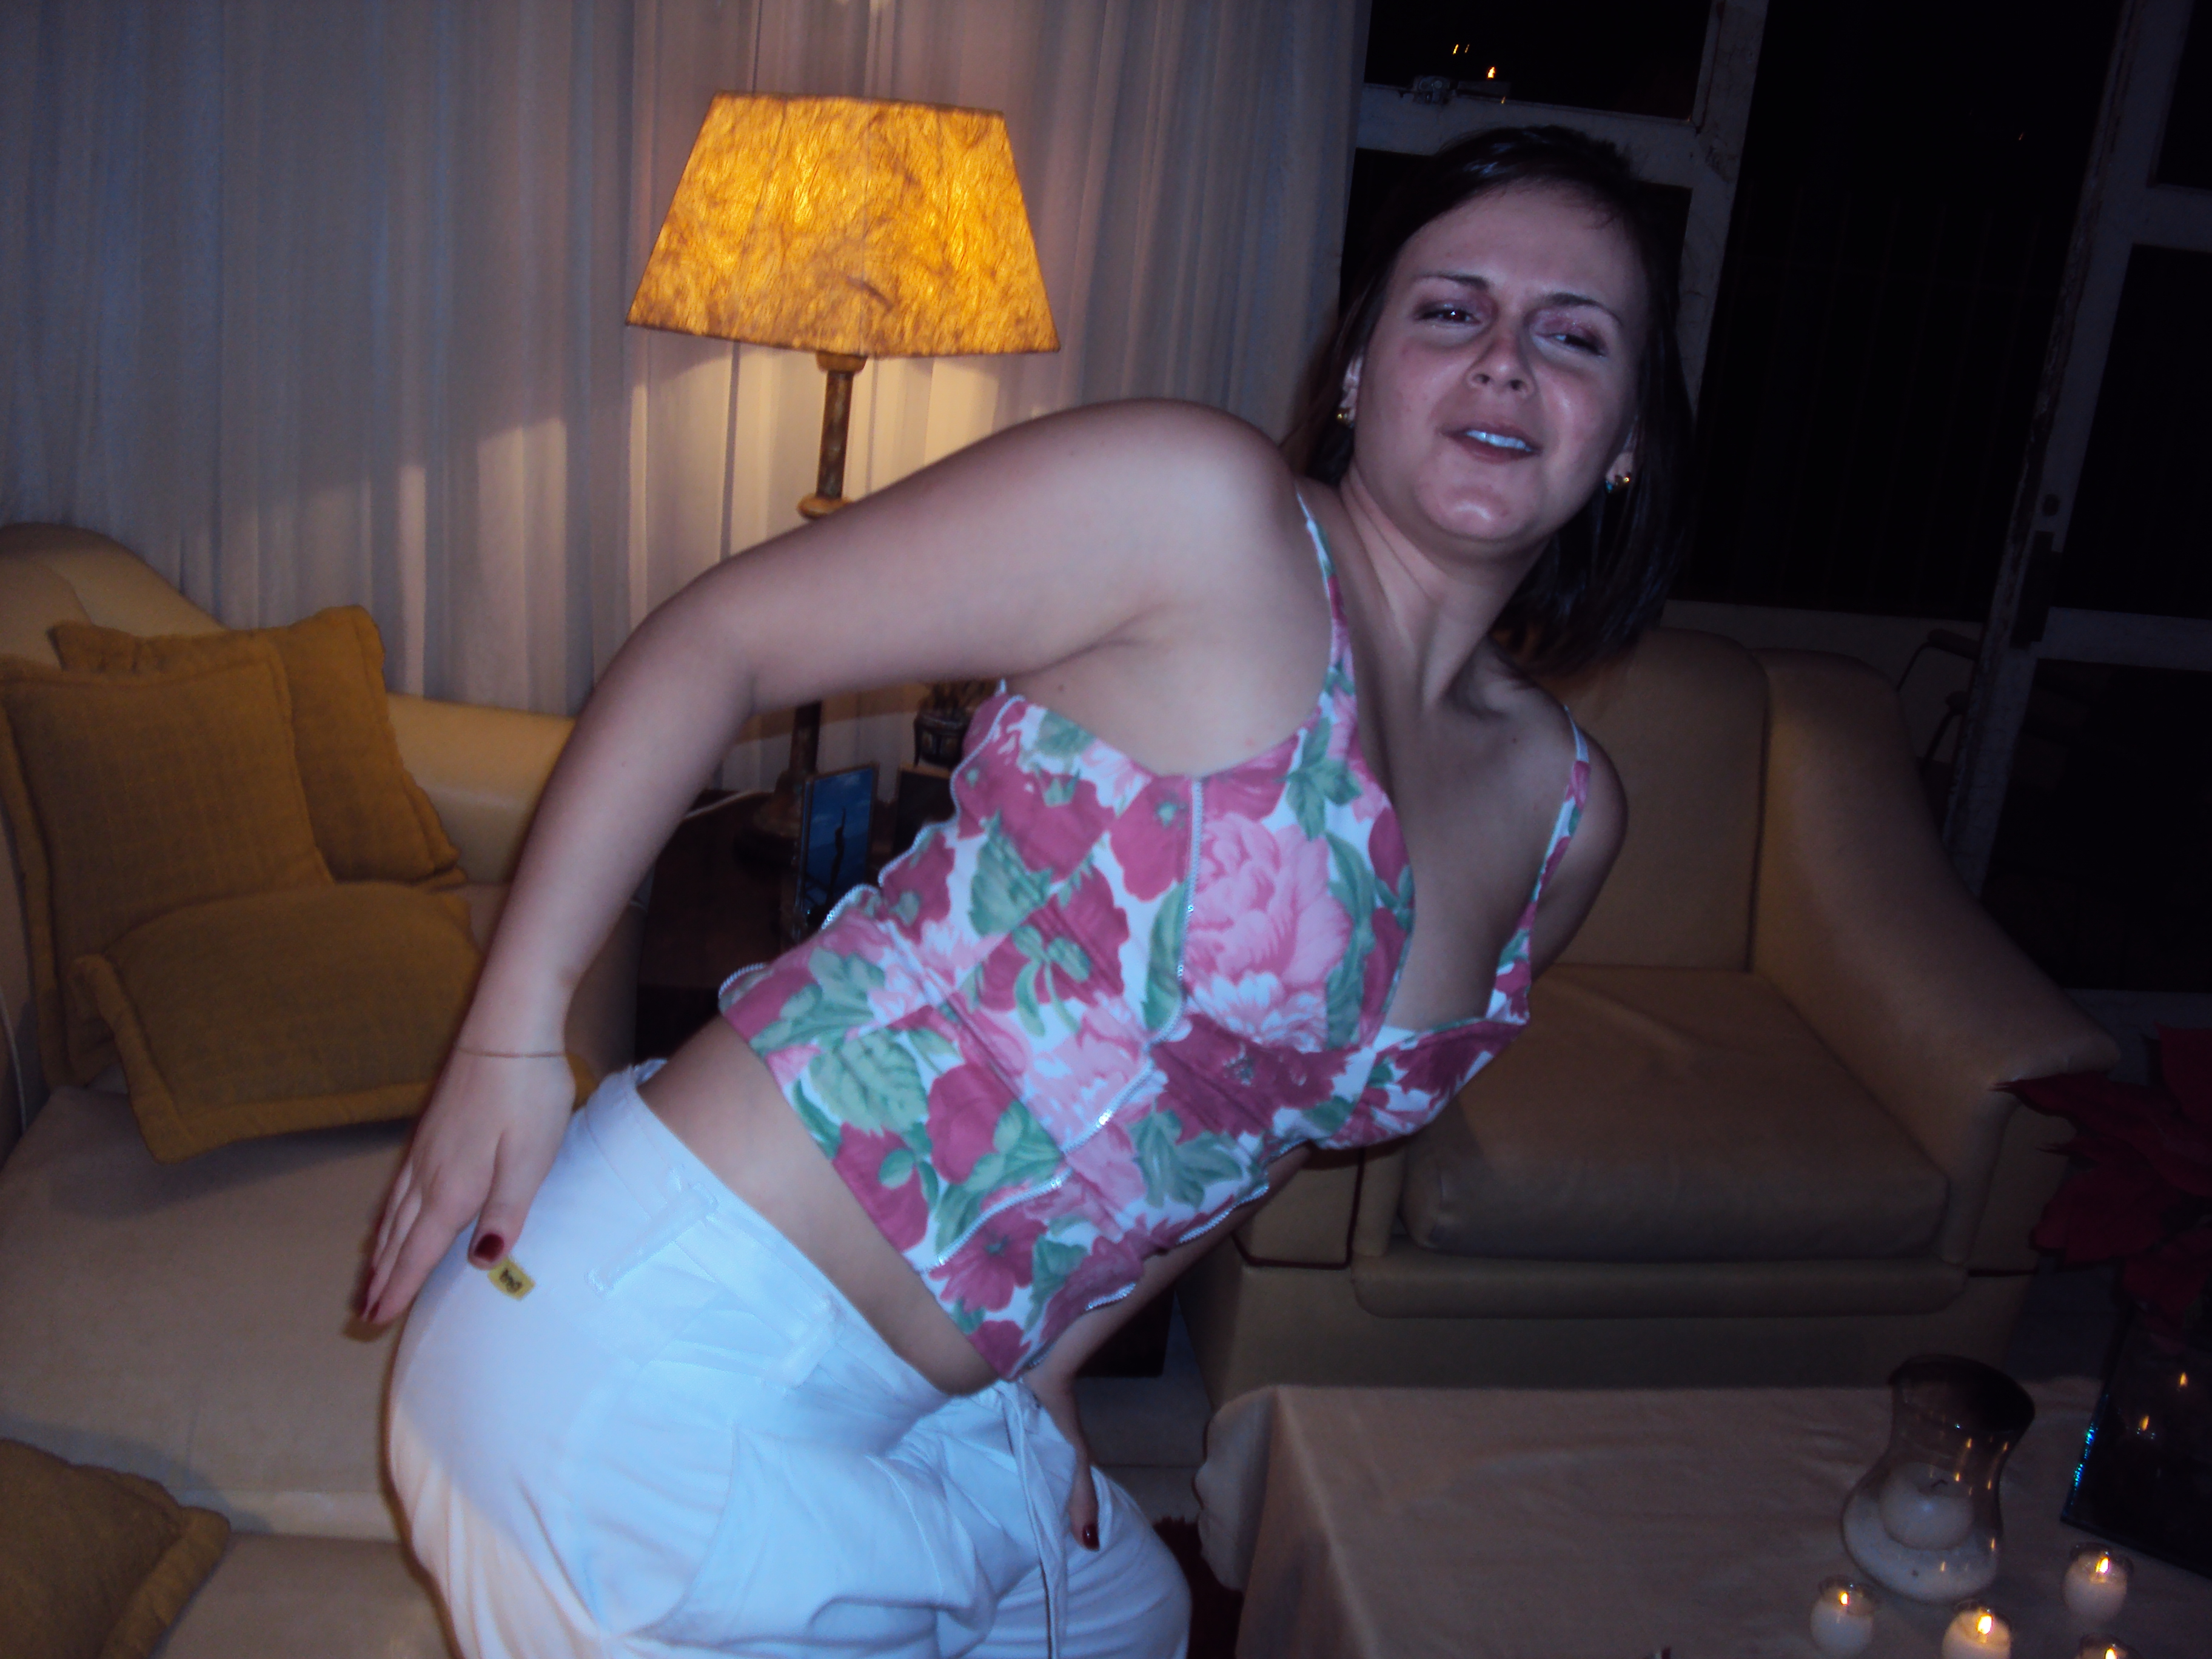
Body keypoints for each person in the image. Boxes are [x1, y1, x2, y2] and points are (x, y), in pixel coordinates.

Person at [364, 124, 1691, 1658]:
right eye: (1452, 310)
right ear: (1353, 372)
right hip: (663, 1353)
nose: (1505, 360)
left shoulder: (1566, 816)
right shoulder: (1205, 514)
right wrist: (509, 1034)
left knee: (1133, 1619)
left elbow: (1257, 1123)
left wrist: (1056, 1363)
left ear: (1626, 435)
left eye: (1573, 336)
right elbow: (721, 638)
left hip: (943, 1395)